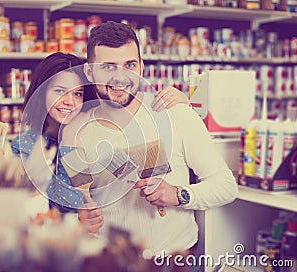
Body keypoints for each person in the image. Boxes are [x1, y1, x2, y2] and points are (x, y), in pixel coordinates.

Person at [59, 21, 238, 259]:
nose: (120, 77)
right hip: (111, 261)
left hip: (176, 260)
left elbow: (226, 186)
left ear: (141, 66)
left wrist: (177, 194)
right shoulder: (77, 131)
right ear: (90, 72)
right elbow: (73, 205)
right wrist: (82, 214)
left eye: (130, 65)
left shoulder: (175, 114)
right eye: (108, 67)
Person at [11, 51, 190, 213]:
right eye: (60, 91)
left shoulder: (94, 127)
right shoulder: (25, 147)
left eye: (78, 94)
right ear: (41, 92)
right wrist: (68, 139)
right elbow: (66, 205)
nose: (69, 101)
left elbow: (123, 98)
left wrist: (183, 101)